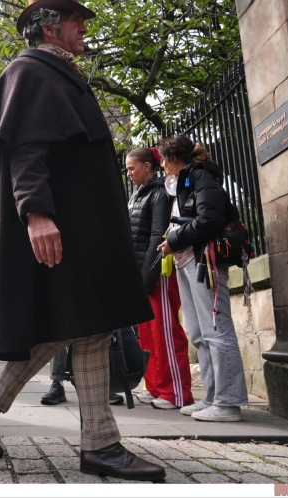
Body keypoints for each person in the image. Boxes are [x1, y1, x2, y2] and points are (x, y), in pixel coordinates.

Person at [0, 0, 164, 481]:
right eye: (75, 18)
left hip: (83, 229)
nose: (83, 28)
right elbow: (27, 152)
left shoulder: (60, 71)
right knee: (82, 322)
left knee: (85, 322)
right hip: (61, 226)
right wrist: (37, 214)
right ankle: (97, 444)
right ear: (50, 25)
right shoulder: (29, 72)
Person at [156, 135, 249, 422]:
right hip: (186, 260)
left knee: (216, 329)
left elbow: (209, 220)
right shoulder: (184, 180)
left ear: (173, 159)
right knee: (198, 332)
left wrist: (174, 238)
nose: (161, 165)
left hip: (203, 259)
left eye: (162, 159)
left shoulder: (200, 176)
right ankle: (211, 397)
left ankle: (228, 402)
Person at [125, 147, 193, 410]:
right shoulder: (137, 195)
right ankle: (155, 386)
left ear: (146, 166)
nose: (129, 173)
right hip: (141, 271)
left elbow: (157, 236)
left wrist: (147, 276)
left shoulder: (159, 193)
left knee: (165, 332)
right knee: (148, 334)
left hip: (157, 272)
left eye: (132, 168)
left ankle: (175, 393)